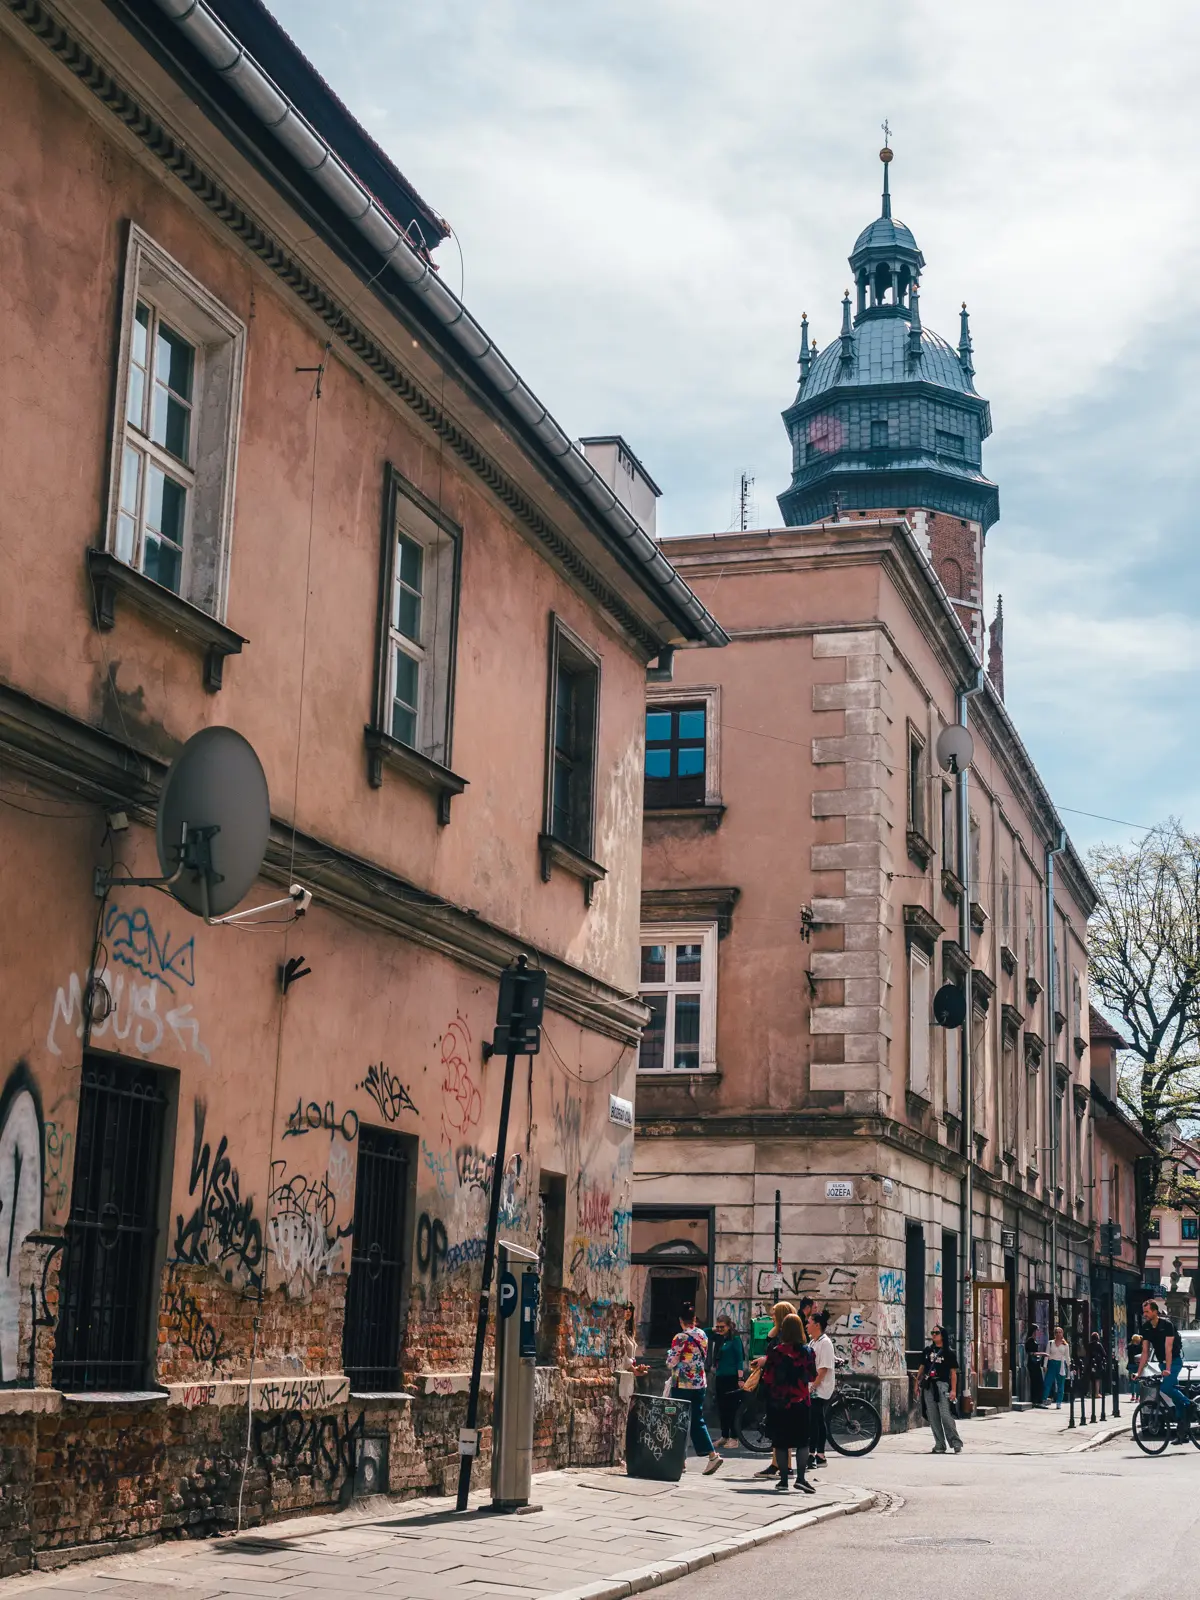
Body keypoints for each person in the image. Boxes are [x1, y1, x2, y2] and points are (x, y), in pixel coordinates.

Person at [761, 1313, 816, 1492]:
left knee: (781, 1442)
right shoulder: (807, 1352)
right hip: (800, 1402)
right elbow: (812, 1375)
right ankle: (800, 1478)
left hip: (779, 1403)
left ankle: (783, 1480)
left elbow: (768, 1378)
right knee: (802, 1442)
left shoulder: (775, 1352)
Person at [666, 1303, 723, 1473]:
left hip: (682, 1384)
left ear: (680, 1320)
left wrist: (669, 1355)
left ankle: (687, 1459)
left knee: (678, 1420)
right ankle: (700, 1458)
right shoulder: (702, 1335)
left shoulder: (680, 1338)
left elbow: (671, 1362)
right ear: (694, 1319)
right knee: (697, 1418)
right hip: (700, 1383)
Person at [750, 1301, 797, 1479]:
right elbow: (770, 1345)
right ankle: (776, 1464)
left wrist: (765, 1361)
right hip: (775, 1385)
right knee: (777, 1426)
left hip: (782, 1387)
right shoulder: (781, 1332)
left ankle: (787, 1467)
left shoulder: (787, 1335)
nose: (771, 1317)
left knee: (782, 1427)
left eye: (774, 1314)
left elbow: (781, 1358)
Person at [1136, 1298, 1189, 1444]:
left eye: (1147, 1311)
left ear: (1154, 1311)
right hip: (1161, 1364)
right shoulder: (1146, 1327)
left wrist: (1168, 1369)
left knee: (1166, 1388)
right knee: (1175, 1399)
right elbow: (1145, 1352)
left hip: (1175, 1362)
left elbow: (1169, 1348)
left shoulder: (1167, 1325)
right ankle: (1182, 1434)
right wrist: (1138, 1373)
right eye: (1144, 1312)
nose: (1145, 1314)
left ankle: (1189, 1404)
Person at [918, 1324, 963, 1454]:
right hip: (928, 1386)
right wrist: (917, 1383)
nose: (933, 1335)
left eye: (936, 1333)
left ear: (942, 1335)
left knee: (945, 1415)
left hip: (942, 1385)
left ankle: (955, 1442)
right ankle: (939, 1444)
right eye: (932, 1333)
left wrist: (953, 1390)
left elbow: (953, 1373)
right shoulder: (927, 1351)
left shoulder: (949, 1353)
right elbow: (921, 1367)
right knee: (933, 1416)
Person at [710, 1313, 746, 1448]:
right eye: (718, 1326)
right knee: (721, 1408)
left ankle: (734, 1438)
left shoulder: (735, 1340)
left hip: (732, 1378)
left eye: (722, 1327)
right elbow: (705, 1333)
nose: (720, 1329)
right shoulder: (720, 1338)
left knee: (732, 1408)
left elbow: (739, 1360)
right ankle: (724, 1435)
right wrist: (715, 1329)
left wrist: (740, 1378)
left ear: (729, 1326)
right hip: (720, 1377)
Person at [806, 1307, 836, 1469]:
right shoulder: (813, 1341)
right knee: (816, 1420)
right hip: (813, 1386)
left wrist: (813, 1387)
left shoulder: (825, 1343)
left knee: (815, 1421)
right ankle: (818, 1454)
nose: (806, 1325)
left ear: (817, 1325)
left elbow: (823, 1369)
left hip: (820, 1388)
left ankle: (815, 1454)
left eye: (809, 1323)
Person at [1044, 1326, 1071, 1408]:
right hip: (1052, 1363)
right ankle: (1044, 1399)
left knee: (1060, 1384)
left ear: (1062, 1334)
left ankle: (1059, 1402)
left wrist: (1069, 1367)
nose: (1058, 1334)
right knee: (1047, 1382)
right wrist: (1045, 1365)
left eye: (1060, 1332)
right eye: (1057, 1332)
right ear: (1054, 1334)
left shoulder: (1065, 1345)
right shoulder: (1050, 1343)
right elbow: (1047, 1354)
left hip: (1061, 1364)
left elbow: (1067, 1356)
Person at [1023, 1324, 1045, 1408]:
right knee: (1036, 1382)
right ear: (1033, 1331)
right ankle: (1035, 1401)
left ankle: (1039, 1400)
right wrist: (1043, 1354)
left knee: (1039, 1382)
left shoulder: (1035, 1340)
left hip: (1036, 1363)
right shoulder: (1030, 1341)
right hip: (1032, 1364)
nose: (1038, 1332)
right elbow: (1031, 1352)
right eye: (1037, 1330)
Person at [1088, 1330, 1109, 1406]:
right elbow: (1104, 1354)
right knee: (1097, 1379)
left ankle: (1090, 1393)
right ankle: (1097, 1393)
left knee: (1091, 1378)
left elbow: (1087, 1353)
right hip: (1098, 1363)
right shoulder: (1099, 1344)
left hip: (1090, 1363)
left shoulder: (1089, 1345)